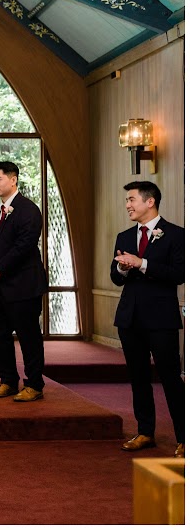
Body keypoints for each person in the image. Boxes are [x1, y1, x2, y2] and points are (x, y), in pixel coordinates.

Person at [110, 181, 184, 458]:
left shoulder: (177, 235)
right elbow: (115, 278)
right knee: (138, 377)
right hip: (130, 317)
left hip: (161, 318)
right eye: (127, 200)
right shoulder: (124, 236)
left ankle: (184, 438)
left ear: (149, 201)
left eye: (131, 199)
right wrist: (122, 267)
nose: (127, 205)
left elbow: (179, 274)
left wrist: (142, 263)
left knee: (170, 378)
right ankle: (145, 432)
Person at [0, 161, 47, 402]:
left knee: (29, 336)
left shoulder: (29, 210)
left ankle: (34, 384)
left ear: (13, 179)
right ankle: (7, 380)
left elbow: (24, 246)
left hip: (23, 285)